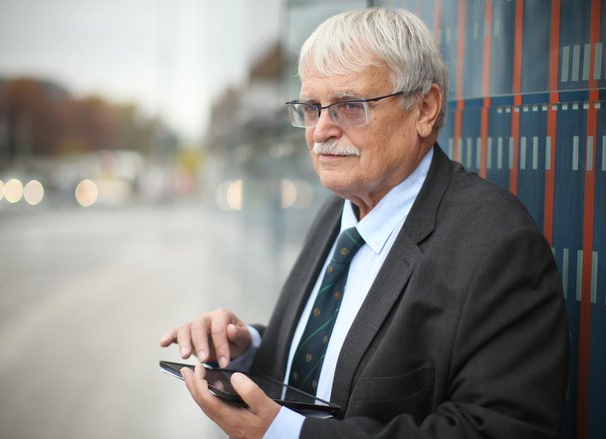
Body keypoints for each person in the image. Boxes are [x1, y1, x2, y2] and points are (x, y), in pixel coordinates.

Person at [159, 7, 569, 439]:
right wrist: (248, 350)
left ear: (425, 108)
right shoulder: (339, 211)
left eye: (349, 107)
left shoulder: (496, 243)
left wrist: (289, 435)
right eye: (312, 109)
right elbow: (333, 360)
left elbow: (497, 430)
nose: (320, 131)